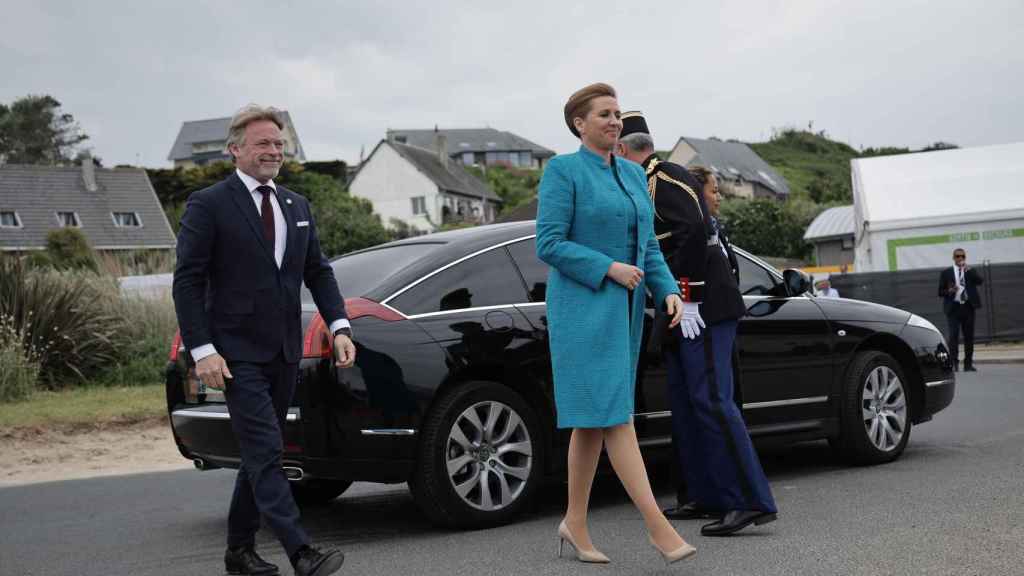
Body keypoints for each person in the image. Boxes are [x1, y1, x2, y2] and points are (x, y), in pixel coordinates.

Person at [173, 105, 353, 576]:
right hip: (234, 355)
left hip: (284, 350)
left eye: (278, 144)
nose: (273, 151)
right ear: (235, 149)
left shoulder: (296, 205)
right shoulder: (208, 203)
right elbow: (188, 282)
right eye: (263, 144)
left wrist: (339, 326)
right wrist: (202, 350)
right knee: (268, 449)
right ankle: (301, 551)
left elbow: (317, 271)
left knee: (259, 452)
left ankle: (238, 551)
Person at [536, 83, 695, 565]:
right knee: (614, 419)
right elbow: (549, 243)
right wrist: (607, 267)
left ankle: (575, 522)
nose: (614, 120)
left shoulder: (630, 175)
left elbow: (648, 248)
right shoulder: (563, 172)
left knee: (591, 424)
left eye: (617, 113)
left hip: (623, 314)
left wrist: (667, 289)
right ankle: (658, 527)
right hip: (581, 313)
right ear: (579, 124)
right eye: (604, 114)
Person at [615, 112, 777, 537]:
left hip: (700, 306)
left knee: (712, 401)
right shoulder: (645, 180)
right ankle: (705, 493)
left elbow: (694, 230)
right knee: (687, 405)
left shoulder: (663, 177)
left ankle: (748, 500)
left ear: (622, 148)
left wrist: (688, 299)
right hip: (679, 307)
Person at [938, 248, 983, 371]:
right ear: (953, 258)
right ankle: (954, 363)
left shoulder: (970, 271)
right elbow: (940, 292)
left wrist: (970, 270)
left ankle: (968, 364)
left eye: (962, 256)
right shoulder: (946, 273)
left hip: (968, 307)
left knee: (969, 336)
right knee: (953, 336)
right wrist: (949, 291)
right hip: (954, 308)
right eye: (958, 256)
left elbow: (980, 281)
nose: (960, 259)